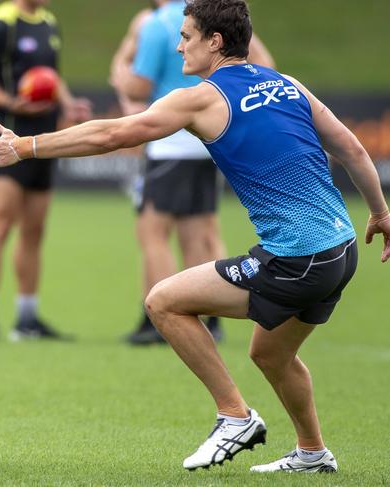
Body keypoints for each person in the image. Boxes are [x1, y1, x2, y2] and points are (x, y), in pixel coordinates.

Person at [0, 0, 390, 473]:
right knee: (270, 353)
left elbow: (114, 134)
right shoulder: (285, 83)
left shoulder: (203, 98)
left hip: (298, 257)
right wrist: (380, 213)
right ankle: (312, 452)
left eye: (187, 36)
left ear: (216, 42)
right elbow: (351, 148)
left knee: (164, 301)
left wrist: (25, 146)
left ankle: (234, 416)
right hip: (342, 248)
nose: (178, 44)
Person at [111, 0, 276, 345]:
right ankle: (212, 318)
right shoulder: (217, 18)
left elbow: (137, 89)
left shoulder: (157, 23)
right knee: (201, 230)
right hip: (213, 134)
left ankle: (158, 317)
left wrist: (121, 65)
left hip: (173, 138)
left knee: (152, 231)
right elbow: (265, 64)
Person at [0, 0, 91, 340]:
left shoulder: (49, 21)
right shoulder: (2, 23)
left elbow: (51, 77)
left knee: (34, 230)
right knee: (0, 225)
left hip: (42, 142)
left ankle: (26, 319)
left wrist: (67, 103)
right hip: (7, 141)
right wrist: (10, 103)